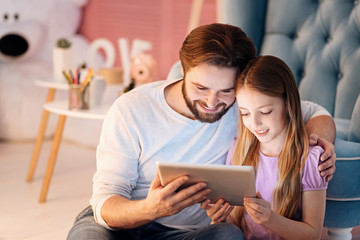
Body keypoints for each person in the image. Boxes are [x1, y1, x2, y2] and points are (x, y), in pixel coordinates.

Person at [67, 23, 336, 240]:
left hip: (190, 234)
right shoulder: (131, 109)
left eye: (226, 91)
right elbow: (105, 201)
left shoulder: (246, 107)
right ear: (183, 70)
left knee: (229, 236)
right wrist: (151, 208)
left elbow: (315, 112)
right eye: (201, 88)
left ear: (240, 85)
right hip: (119, 228)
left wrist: (318, 145)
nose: (211, 103)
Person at [201, 55, 328, 239]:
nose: (255, 123)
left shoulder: (309, 159)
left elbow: (312, 234)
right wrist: (217, 219)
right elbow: (233, 224)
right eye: (244, 113)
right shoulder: (239, 150)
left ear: (288, 103)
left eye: (265, 112)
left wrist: (270, 219)